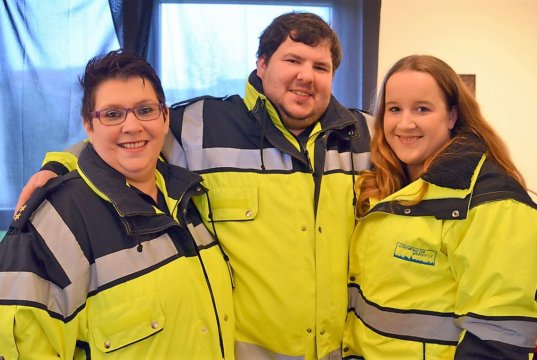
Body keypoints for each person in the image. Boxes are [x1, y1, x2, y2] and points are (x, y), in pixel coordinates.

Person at [13, 12, 373, 359]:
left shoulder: (365, 137)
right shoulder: (202, 126)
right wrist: (59, 165)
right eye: (293, 60)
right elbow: (130, 134)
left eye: (320, 67)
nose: (306, 76)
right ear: (262, 65)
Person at [0, 50, 235, 359]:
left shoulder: (191, 200)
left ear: (164, 118)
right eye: (112, 114)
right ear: (88, 124)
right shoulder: (55, 222)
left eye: (145, 110)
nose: (132, 126)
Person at [342, 54, 537, 359]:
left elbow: (498, 337)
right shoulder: (379, 186)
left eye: (422, 108)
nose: (405, 124)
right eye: (394, 109)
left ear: (451, 116)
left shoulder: (493, 201)